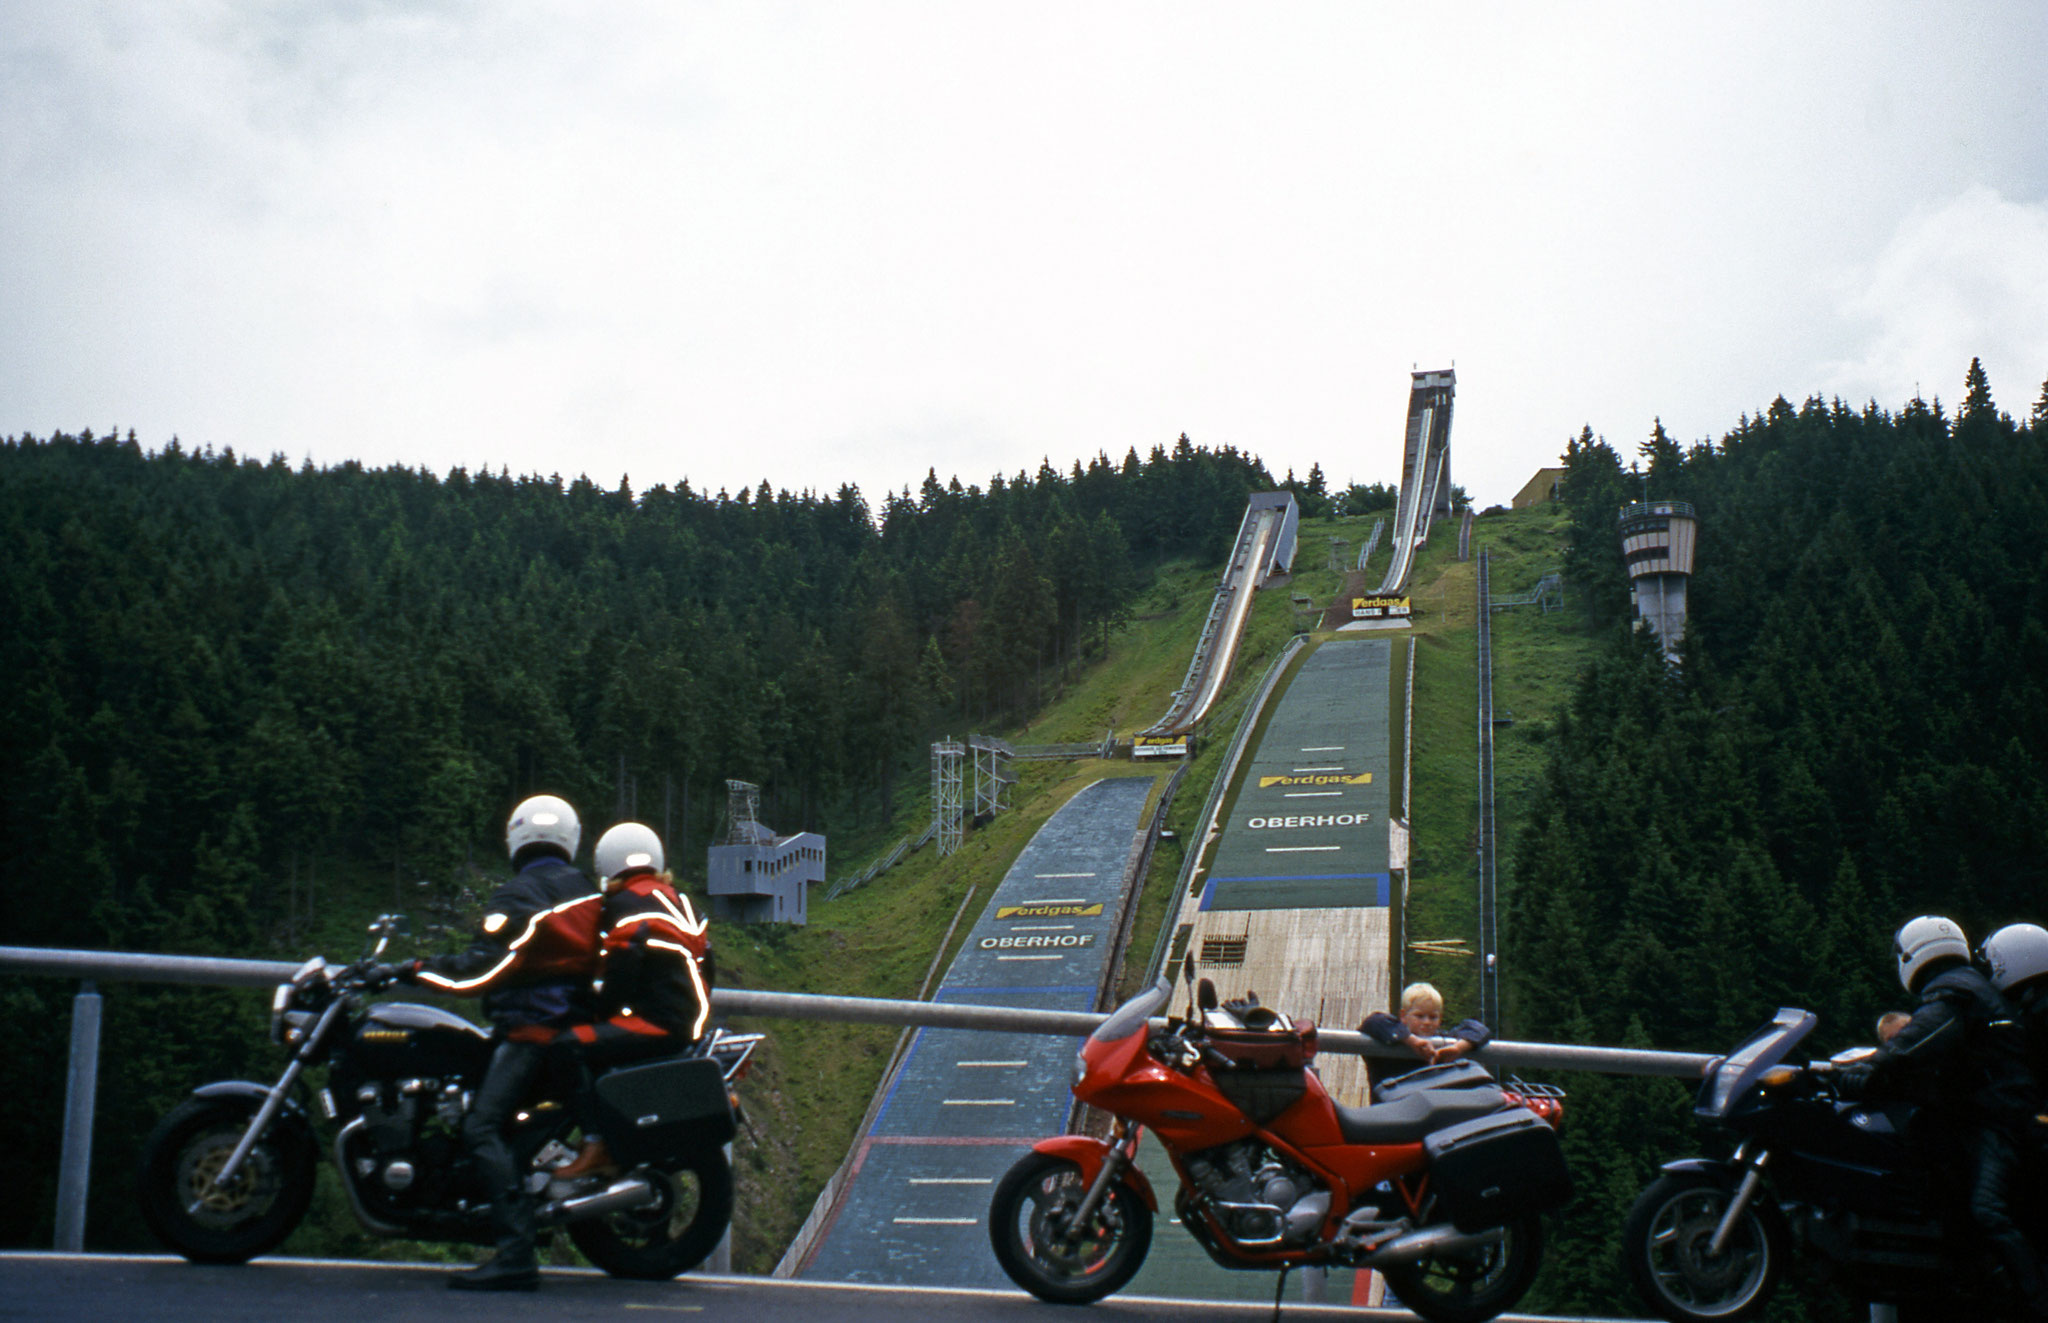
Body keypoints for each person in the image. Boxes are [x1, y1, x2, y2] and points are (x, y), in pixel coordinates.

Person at [396, 794, 603, 1291]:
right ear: (570, 838)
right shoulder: (587, 891)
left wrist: (418, 970)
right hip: (576, 1032)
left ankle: (514, 1253)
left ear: (516, 836)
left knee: (481, 1127)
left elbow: (480, 970)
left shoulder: (516, 895)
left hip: (533, 1031)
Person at [1845, 915, 2042, 1315]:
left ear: (1910, 954)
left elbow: (1923, 1037)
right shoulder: (1972, 988)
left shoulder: (1956, 989)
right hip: (1996, 1111)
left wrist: (1873, 1067)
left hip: (2002, 1115)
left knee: (1987, 1210)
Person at [543, 821, 715, 1190]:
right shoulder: (684, 903)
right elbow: (708, 966)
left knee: (566, 1045)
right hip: (689, 1022)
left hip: (657, 1023)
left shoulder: (624, 904)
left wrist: (600, 1013)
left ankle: (595, 1144)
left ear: (606, 864)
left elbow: (622, 967)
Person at [1359, 982, 1491, 1089]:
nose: (1427, 1022)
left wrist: (1458, 1048)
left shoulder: (1442, 1041)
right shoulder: (1388, 1034)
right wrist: (1412, 1041)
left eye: (1433, 1017)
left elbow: (1479, 1029)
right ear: (1403, 1016)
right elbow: (1373, 1022)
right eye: (1419, 1016)